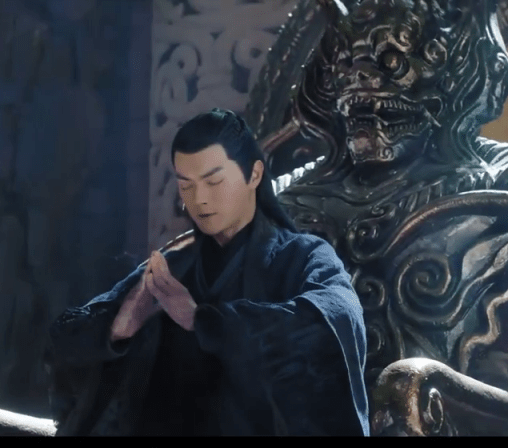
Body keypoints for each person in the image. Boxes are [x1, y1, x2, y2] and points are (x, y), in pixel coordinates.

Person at [43, 108, 370, 436]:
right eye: (186, 185)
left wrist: (205, 321)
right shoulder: (175, 263)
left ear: (254, 175)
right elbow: (66, 336)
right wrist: (116, 331)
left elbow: (337, 318)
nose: (199, 199)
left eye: (214, 181)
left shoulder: (302, 256)